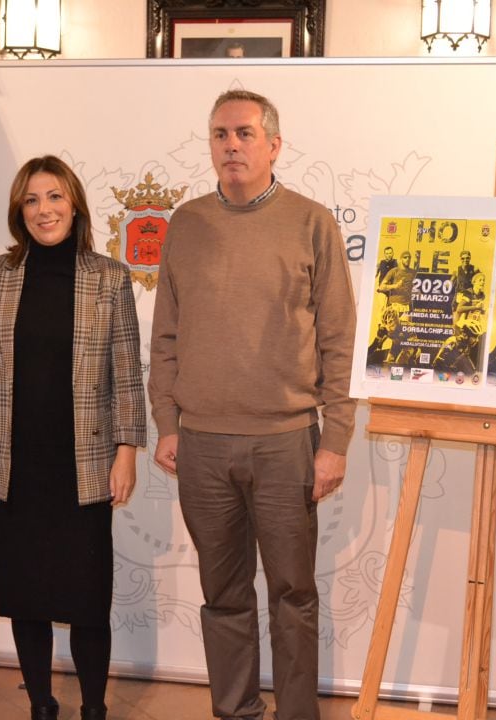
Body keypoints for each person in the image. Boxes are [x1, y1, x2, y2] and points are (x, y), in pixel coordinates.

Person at [148, 89, 356, 720]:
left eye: (243, 133)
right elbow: (166, 335)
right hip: (202, 445)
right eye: (219, 135)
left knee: (293, 593)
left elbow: (339, 339)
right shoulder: (185, 223)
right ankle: (234, 710)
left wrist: (337, 441)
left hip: (286, 442)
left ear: (273, 145)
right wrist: (166, 422)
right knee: (224, 595)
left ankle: (296, 714)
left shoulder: (313, 222)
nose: (231, 145)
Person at [0, 155, 146, 720]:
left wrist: (127, 450)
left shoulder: (109, 276)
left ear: (75, 204)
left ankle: (93, 708)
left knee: (87, 601)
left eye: (55, 197)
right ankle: (42, 705)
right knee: (27, 597)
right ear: (20, 211)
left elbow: (127, 373)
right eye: (32, 200)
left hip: (84, 465)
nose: (45, 210)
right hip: (15, 465)